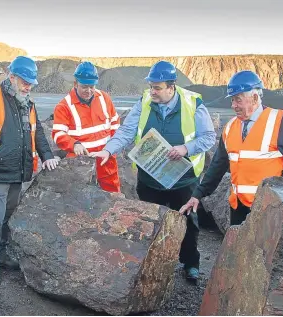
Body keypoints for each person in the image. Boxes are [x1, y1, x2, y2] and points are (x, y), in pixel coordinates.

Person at [90, 60, 216, 283]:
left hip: (182, 179)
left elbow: (208, 138)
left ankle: (190, 263)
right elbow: (127, 131)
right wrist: (107, 151)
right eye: (151, 86)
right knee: (147, 223)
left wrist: (186, 148)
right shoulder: (145, 101)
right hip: (149, 178)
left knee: (188, 222)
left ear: (171, 87)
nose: (152, 91)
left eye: (157, 88)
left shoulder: (193, 104)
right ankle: (148, 265)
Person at [0, 56, 58, 285]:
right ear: (11, 76)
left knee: (7, 217)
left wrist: (47, 156)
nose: (27, 86)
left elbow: (37, 133)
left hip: (18, 172)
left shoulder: (27, 102)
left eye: (30, 83)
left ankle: (2, 255)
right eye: (24, 81)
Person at [179, 70, 283, 226]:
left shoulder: (279, 121)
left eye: (237, 100)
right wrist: (197, 195)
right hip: (237, 208)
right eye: (232, 100)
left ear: (254, 98)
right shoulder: (230, 127)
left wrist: (278, 196)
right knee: (237, 249)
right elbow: (217, 167)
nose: (233, 105)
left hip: (267, 209)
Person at [51, 61, 121, 192]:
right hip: (80, 165)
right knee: (79, 202)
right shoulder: (64, 106)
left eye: (92, 86)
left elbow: (115, 124)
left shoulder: (104, 98)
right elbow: (58, 134)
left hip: (106, 160)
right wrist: (74, 144)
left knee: (113, 197)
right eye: (84, 87)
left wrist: (111, 148)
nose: (89, 91)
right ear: (75, 83)